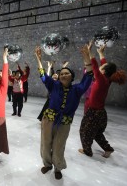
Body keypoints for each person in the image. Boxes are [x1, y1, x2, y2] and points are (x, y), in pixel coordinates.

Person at [35, 44, 93, 180]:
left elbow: (89, 76)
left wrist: (87, 58)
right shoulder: (53, 85)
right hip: (48, 120)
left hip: (64, 123)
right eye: (61, 73)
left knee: (59, 146)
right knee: (45, 144)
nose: (63, 75)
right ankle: (47, 164)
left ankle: (58, 167)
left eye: (66, 73)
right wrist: (39, 59)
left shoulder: (77, 89)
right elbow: (43, 76)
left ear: (71, 77)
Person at [79, 44, 127, 158]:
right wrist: (101, 53)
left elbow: (95, 66)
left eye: (102, 67)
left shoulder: (101, 80)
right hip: (100, 113)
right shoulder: (107, 79)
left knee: (84, 132)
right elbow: (102, 65)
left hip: (93, 113)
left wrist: (90, 52)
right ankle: (108, 148)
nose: (101, 67)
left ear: (104, 71)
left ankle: (87, 151)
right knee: (96, 133)